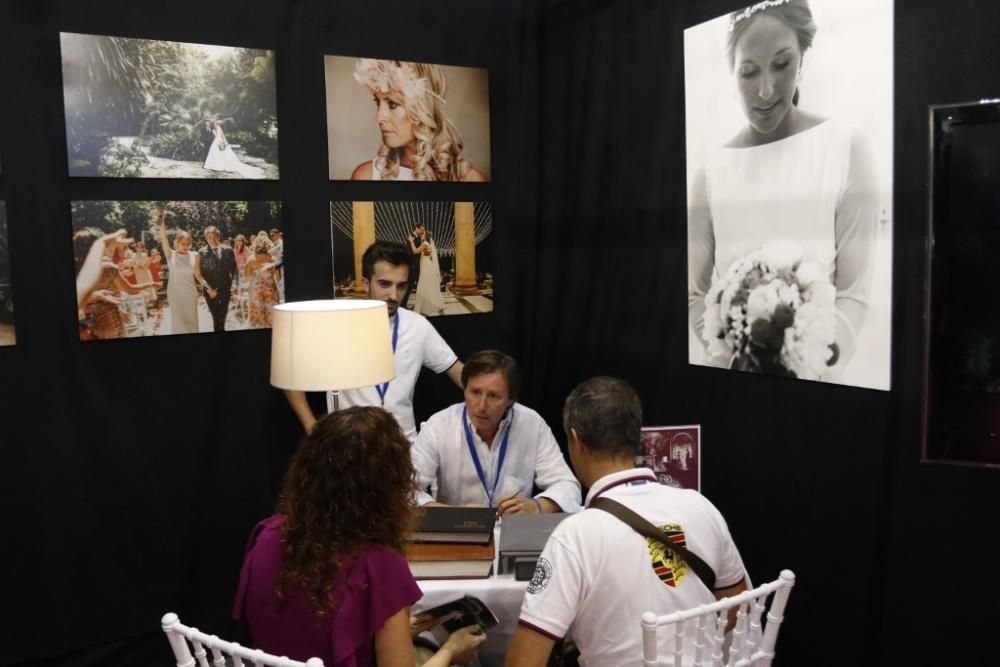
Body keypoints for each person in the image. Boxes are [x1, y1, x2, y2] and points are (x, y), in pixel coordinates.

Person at [687, 0, 878, 376]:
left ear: (802, 59)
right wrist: (728, 353)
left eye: (781, 64)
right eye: (748, 72)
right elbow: (694, 294)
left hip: (819, 381)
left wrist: (803, 361)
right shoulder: (709, 173)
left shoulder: (847, 149)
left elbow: (854, 294)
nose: (765, 91)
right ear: (731, 70)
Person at [505, 377, 748, 667]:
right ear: (638, 437)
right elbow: (737, 609)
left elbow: (524, 662)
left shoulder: (574, 535)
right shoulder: (701, 506)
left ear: (575, 440)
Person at [233, 406, 486, 667]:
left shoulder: (267, 535)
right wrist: (452, 651)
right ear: (390, 482)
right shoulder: (380, 565)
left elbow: (308, 628)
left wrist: (392, 628)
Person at [284, 241, 463, 440]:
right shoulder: (335, 324)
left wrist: (497, 396)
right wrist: (311, 427)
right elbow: (290, 373)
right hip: (350, 447)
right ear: (366, 283)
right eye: (384, 284)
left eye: (401, 286)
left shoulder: (418, 326)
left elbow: (458, 372)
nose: (394, 295)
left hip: (404, 447)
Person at [412, 350, 582, 515]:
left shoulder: (532, 424)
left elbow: (568, 486)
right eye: (475, 392)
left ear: (511, 399)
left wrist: (536, 506)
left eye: (493, 396)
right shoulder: (438, 426)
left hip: (514, 534)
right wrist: (454, 514)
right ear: (465, 390)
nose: (481, 406)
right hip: (457, 533)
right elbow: (403, 492)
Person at [350, 59, 487, 182]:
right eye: (378, 102)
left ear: (424, 109)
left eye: (393, 104)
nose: (379, 117)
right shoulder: (366, 176)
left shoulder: (471, 180)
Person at [158, 210, 209, 335]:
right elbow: (163, 237)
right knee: (179, 323)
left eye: (188, 244)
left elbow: (198, 275)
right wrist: (161, 219)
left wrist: (208, 287)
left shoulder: (195, 255)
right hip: (175, 294)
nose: (186, 246)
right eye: (183, 244)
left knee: (192, 323)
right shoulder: (170, 254)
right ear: (176, 243)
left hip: (190, 294)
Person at [199, 225, 237, 333]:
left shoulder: (228, 250)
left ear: (218, 236)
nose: (212, 239)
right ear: (206, 238)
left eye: (214, 236)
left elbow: (234, 270)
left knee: (222, 317)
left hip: (225, 289)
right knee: (216, 317)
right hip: (210, 291)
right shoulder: (201, 252)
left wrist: (234, 285)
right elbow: (200, 273)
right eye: (209, 237)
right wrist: (209, 288)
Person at [243, 233, 279, 329]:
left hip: (255, 289)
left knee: (256, 313)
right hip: (270, 289)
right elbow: (278, 278)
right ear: (268, 245)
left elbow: (246, 276)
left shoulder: (251, 259)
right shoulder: (273, 259)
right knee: (271, 313)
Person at [410, 228, 445, 315]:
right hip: (428, 265)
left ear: (425, 236)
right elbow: (431, 256)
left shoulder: (425, 243)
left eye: (423, 234)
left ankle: (425, 306)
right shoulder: (428, 244)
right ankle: (428, 303)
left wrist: (411, 241)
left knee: (424, 284)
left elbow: (415, 251)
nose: (422, 235)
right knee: (428, 284)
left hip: (426, 266)